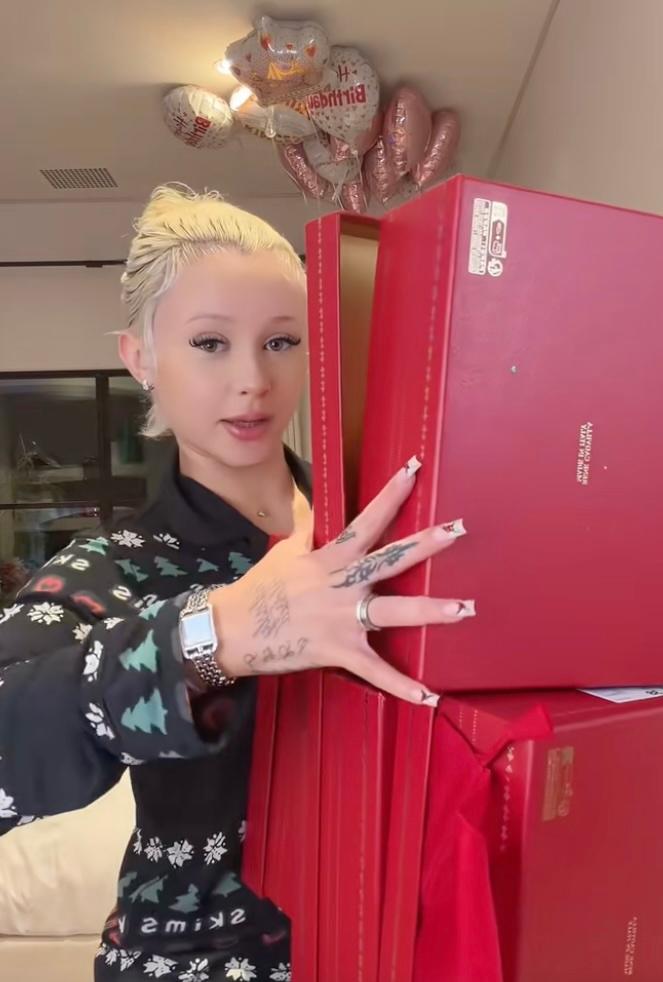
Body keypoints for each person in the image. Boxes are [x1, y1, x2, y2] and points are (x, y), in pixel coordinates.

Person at [0, 185, 473, 982]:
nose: (253, 379)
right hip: (196, 958)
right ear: (141, 356)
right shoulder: (110, 569)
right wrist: (210, 637)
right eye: (210, 343)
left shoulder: (385, 528)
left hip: (400, 940)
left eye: (282, 341)